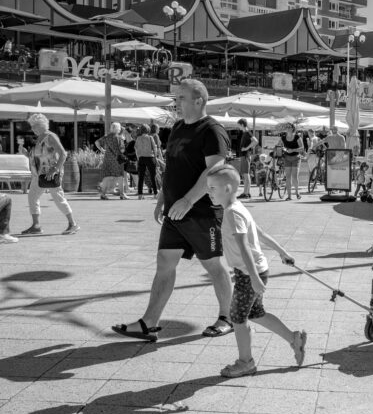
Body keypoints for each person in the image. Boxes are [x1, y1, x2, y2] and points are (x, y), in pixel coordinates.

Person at [112, 78, 234, 342]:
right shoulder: (178, 127)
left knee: (213, 265)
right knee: (165, 263)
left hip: (201, 211)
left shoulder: (212, 130)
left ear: (199, 100)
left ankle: (227, 317)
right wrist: (162, 198)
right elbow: (173, 168)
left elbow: (214, 170)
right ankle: (149, 323)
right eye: (176, 98)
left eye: (181, 98)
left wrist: (188, 200)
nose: (176, 103)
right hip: (175, 210)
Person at [206, 164, 307, 379]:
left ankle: (246, 363)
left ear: (227, 188)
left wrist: (252, 277)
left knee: (237, 317)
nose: (209, 192)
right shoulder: (238, 207)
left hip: (248, 272)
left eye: (212, 188)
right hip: (256, 270)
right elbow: (259, 233)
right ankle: (293, 338)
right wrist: (282, 252)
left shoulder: (233, 212)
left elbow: (244, 247)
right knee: (255, 313)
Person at [21, 113, 79, 236]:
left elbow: (63, 154)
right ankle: (36, 225)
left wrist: (55, 169)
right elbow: (39, 157)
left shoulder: (50, 136)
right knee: (32, 197)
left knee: (58, 198)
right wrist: (27, 154)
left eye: (34, 126)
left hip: (50, 174)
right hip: (39, 175)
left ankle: (73, 224)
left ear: (41, 125)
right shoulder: (40, 138)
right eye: (32, 126)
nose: (32, 129)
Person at [96, 122, 128, 199]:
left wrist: (102, 149)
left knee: (106, 177)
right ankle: (122, 194)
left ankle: (103, 194)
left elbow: (96, 142)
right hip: (117, 160)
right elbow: (122, 150)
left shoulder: (106, 137)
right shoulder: (119, 138)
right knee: (120, 176)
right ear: (118, 129)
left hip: (107, 159)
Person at [280, 122, 303, 200]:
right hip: (287, 158)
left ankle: (297, 192)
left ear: (293, 128)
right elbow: (279, 146)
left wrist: (293, 150)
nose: (288, 128)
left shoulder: (297, 137)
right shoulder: (283, 137)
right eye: (286, 127)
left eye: (289, 127)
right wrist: (283, 149)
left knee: (294, 176)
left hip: (296, 157)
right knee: (288, 177)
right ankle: (289, 196)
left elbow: (302, 148)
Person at [134, 125, 158, 199]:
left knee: (141, 177)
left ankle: (140, 194)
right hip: (150, 157)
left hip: (141, 158)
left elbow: (136, 148)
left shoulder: (138, 138)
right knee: (153, 176)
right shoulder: (150, 137)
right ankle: (155, 193)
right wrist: (156, 157)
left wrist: (138, 157)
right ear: (148, 130)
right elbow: (154, 147)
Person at [236, 118, 255, 199]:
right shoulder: (245, 133)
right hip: (244, 155)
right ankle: (246, 192)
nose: (238, 127)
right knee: (245, 175)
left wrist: (246, 148)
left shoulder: (247, 132)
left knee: (246, 175)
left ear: (242, 125)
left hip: (245, 155)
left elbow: (255, 141)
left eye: (239, 125)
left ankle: (246, 193)